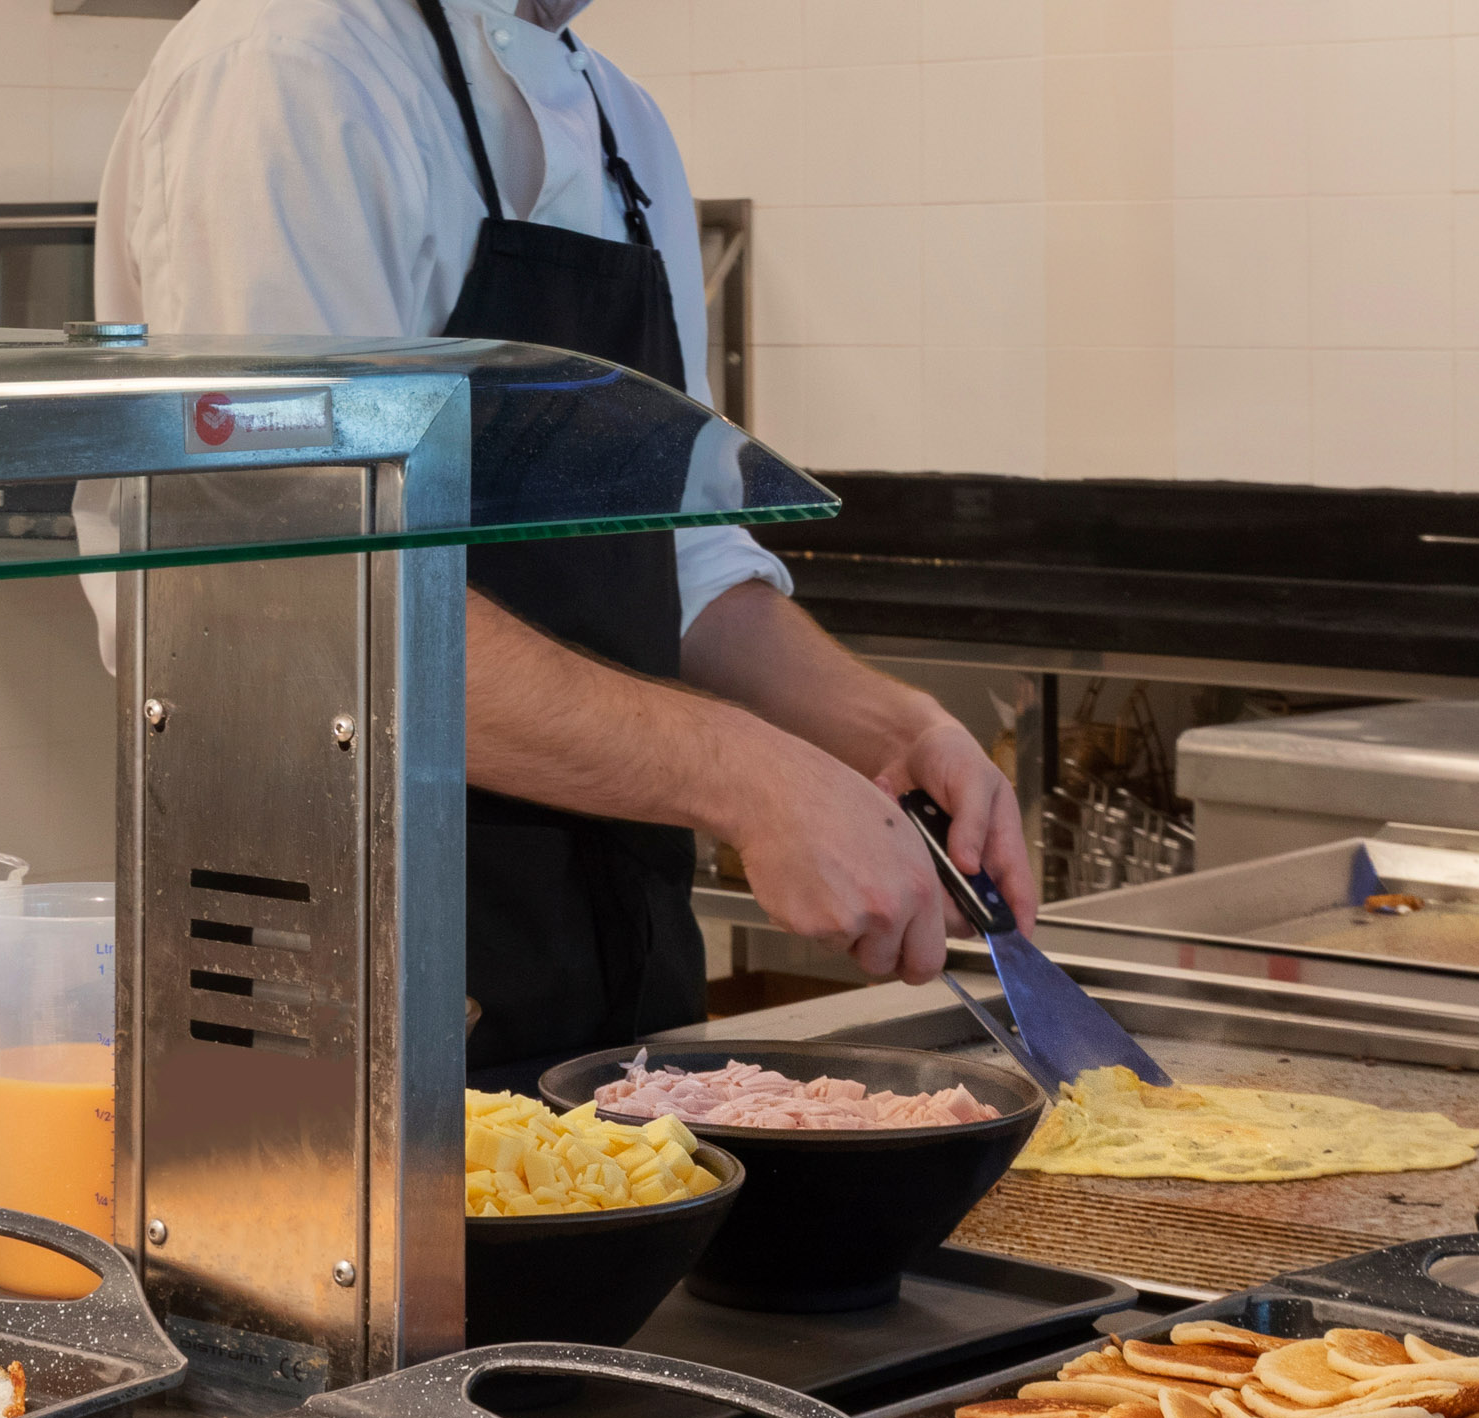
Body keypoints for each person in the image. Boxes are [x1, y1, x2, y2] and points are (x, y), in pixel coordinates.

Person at [98, 0, 1040, 1084]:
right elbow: (302, 604)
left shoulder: (621, 125)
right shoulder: (286, 66)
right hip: (358, 968)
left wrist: (885, 728)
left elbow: (670, 551)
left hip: (619, 954)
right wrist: (744, 776)